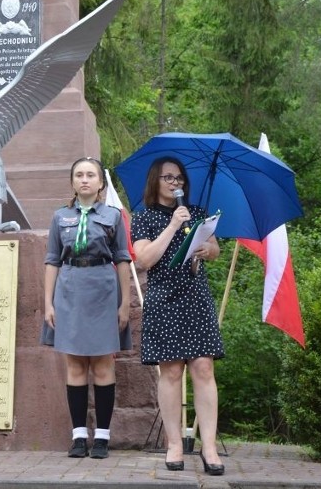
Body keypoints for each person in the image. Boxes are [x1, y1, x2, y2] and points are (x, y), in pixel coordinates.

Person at [130, 157, 225, 476]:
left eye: (179, 177)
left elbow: (214, 248)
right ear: (155, 181)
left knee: (203, 366)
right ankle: (173, 444)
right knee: (170, 371)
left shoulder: (196, 214)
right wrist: (172, 225)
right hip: (163, 297)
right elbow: (144, 259)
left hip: (195, 295)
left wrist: (205, 251)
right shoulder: (143, 218)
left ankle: (208, 447)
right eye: (168, 177)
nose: (175, 182)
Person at [41, 157, 133, 459]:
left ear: (101, 183)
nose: (84, 180)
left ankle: (103, 437)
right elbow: (52, 260)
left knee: (104, 364)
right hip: (70, 290)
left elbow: (122, 259)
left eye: (90, 175)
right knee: (76, 365)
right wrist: (48, 303)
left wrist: (124, 303)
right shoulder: (60, 217)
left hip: (103, 289)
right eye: (79, 175)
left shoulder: (114, 216)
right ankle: (79, 436)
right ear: (72, 182)